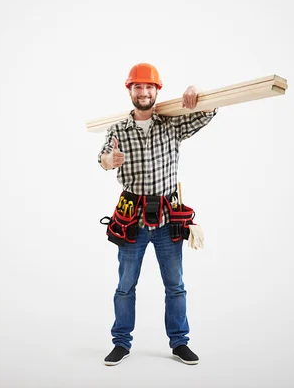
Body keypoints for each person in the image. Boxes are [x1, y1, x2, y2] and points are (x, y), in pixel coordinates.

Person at [98, 63, 217, 366]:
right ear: (130, 90)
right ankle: (121, 343)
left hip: (167, 220)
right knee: (125, 286)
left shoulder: (172, 124)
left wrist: (197, 94)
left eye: (149, 87)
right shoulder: (117, 131)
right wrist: (109, 160)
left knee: (175, 285)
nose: (144, 91)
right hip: (132, 222)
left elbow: (207, 112)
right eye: (138, 86)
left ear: (157, 90)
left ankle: (179, 342)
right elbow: (103, 159)